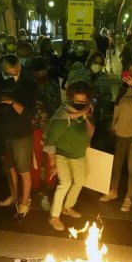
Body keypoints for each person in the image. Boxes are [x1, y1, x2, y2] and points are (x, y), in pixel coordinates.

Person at [44, 80, 95, 231]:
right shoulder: (62, 115)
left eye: (83, 101)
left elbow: (88, 128)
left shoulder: (87, 110)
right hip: (62, 155)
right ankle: (54, 217)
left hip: (78, 154)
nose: (80, 103)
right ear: (70, 98)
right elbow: (50, 141)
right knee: (65, 183)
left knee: (80, 180)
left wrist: (86, 141)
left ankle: (68, 207)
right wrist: (52, 164)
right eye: (77, 101)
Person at [99, 61, 132, 212]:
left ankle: (129, 197)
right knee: (116, 165)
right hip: (120, 133)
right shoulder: (122, 89)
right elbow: (117, 109)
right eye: (130, 71)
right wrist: (113, 125)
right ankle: (113, 191)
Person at [0, 55, 36, 217]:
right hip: (4, 132)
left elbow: (29, 114)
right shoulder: (0, 81)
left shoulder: (28, 83)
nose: (10, 76)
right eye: (7, 72)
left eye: (13, 72)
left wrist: (12, 102)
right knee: (10, 169)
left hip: (21, 134)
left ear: (19, 66)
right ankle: (14, 195)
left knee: (23, 170)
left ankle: (25, 202)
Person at [30, 57, 61, 203]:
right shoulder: (29, 85)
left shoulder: (53, 85)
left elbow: (57, 106)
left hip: (49, 127)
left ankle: (50, 183)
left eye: (43, 72)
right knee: (35, 159)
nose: (41, 75)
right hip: (35, 127)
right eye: (38, 73)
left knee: (50, 158)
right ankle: (36, 184)